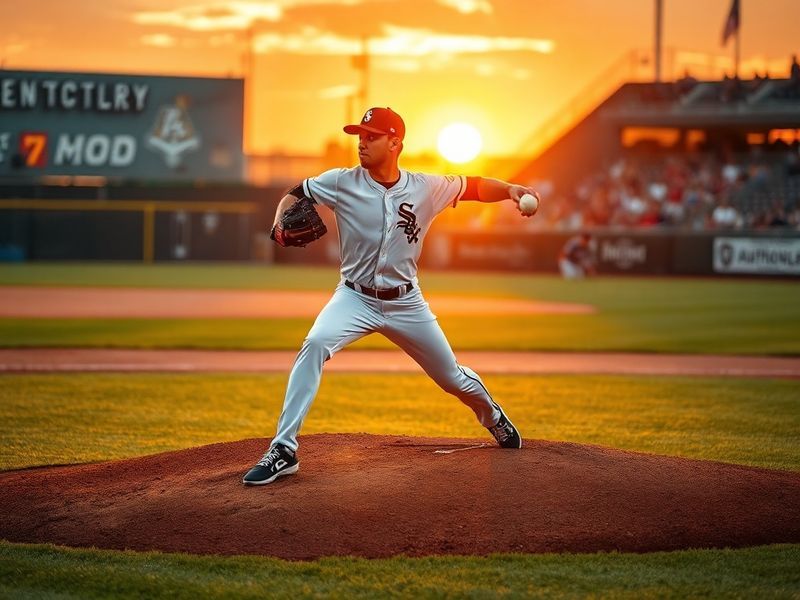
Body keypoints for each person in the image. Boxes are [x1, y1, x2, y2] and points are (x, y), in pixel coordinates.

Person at [243, 107, 538, 485]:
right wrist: (278, 221)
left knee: (451, 378)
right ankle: (283, 450)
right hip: (354, 298)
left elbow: (475, 185)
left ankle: (493, 417)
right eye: (359, 136)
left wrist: (512, 190)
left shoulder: (425, 187)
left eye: (371, 136)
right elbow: (295, 193)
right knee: (315, 343)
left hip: (406, 303)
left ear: (395, 142)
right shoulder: (341, 181)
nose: (362, 143)